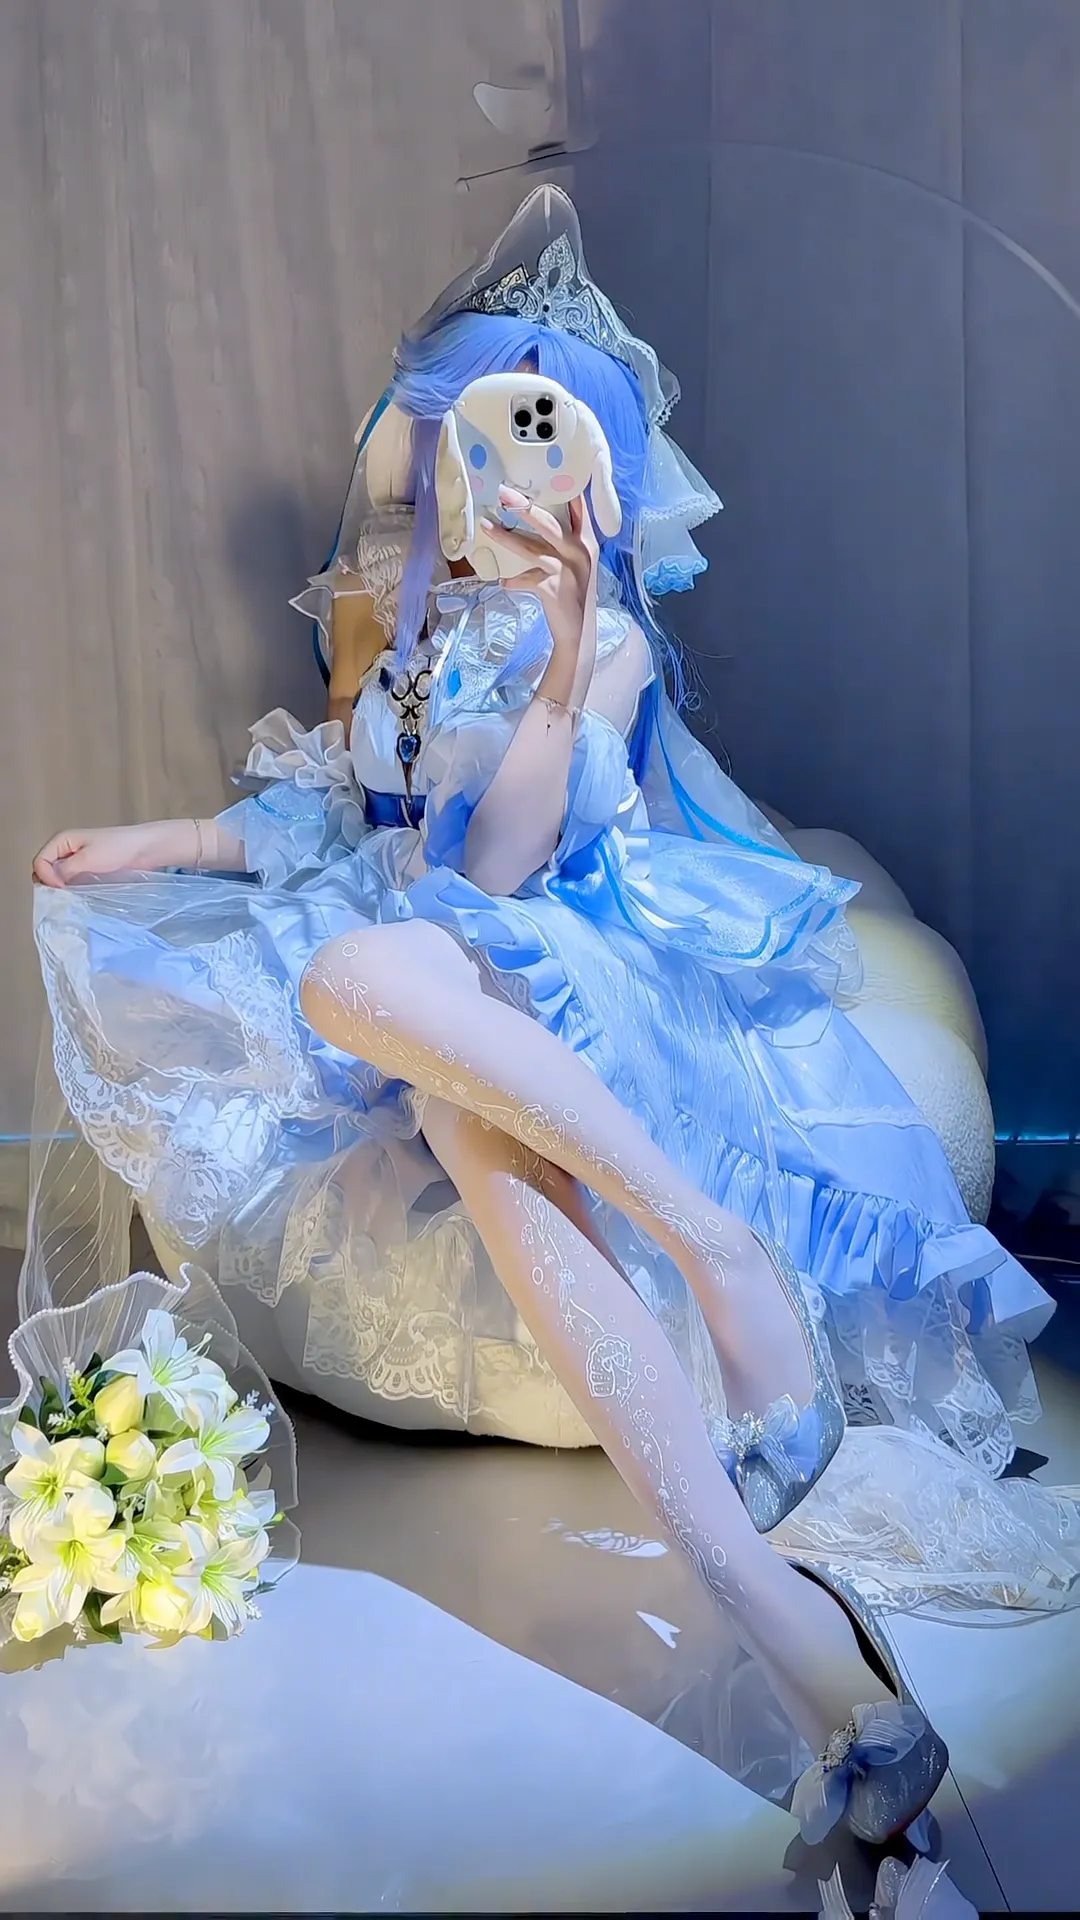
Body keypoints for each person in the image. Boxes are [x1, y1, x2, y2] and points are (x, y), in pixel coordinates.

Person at [28, 187, 1079, 1843]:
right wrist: (157, 842)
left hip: (559, 959)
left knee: (371, 1001)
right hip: (431, 985)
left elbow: (507, 864)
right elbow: (335, 824)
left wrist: (571, 637)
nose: (464, 493)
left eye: (509, 448)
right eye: (446, 461)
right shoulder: (405, 649)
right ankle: (813, 1661)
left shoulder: (610, 656)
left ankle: (723, 1279)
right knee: (407, 1041)